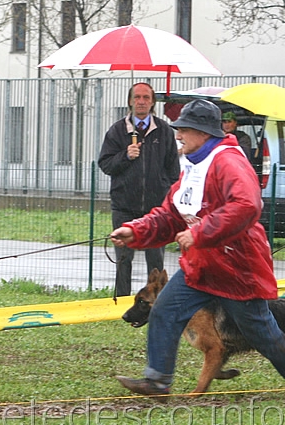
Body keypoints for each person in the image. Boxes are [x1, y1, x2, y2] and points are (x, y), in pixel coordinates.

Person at [111, 99, 285, 398]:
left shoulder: (228, 161)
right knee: (164, 310)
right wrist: (134, 230)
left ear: (204, 133)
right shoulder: (192, 164)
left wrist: (201, 232)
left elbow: (247, 206)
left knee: (264, 335)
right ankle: (157, 382)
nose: (178, 136)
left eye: (185, 130)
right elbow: (171, 214)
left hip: (238, 269)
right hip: (201, 267)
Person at [98, 82, 180, 297]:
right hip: (125, 207)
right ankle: (123, 302)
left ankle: (156, 302)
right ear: (130, 101)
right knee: (123, 260)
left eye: (145, 97)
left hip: (155, 210)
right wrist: (125, 156)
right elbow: (105, 164)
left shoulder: (164, 131)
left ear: (152, 102)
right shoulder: (117, 131)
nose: (141, 101)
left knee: (155, 261)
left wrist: (165, 194)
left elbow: (173, 170)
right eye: (137, 97)